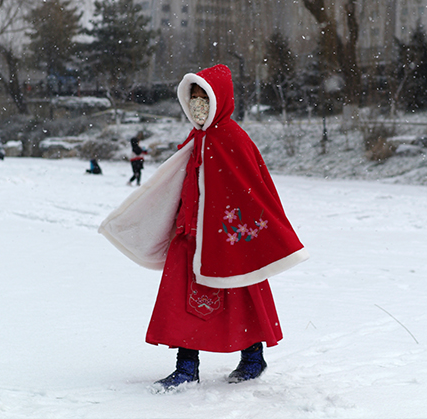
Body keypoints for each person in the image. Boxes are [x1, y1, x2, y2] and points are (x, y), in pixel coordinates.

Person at [99, 64, 308, 390]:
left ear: (219, 99)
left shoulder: (233, 138)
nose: (198, 105)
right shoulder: (196, 138)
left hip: (227, 239)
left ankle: (253, 357)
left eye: (204, 98)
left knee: (242, 296)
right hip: (190, 236)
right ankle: (187, 367)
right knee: (181, 302)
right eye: (193, 98)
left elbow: (251, 190)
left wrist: (232, 232)